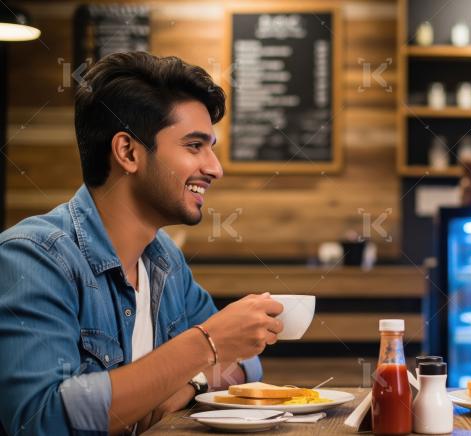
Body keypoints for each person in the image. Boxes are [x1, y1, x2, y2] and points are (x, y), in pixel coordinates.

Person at [0, 52, 284, 434]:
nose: (215, 167)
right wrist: (206, 344)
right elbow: (42, 419)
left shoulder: (164, 258)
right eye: (195, 146)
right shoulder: (33, 257)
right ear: (128, 152)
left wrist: (188, 384)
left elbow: (247, 363)